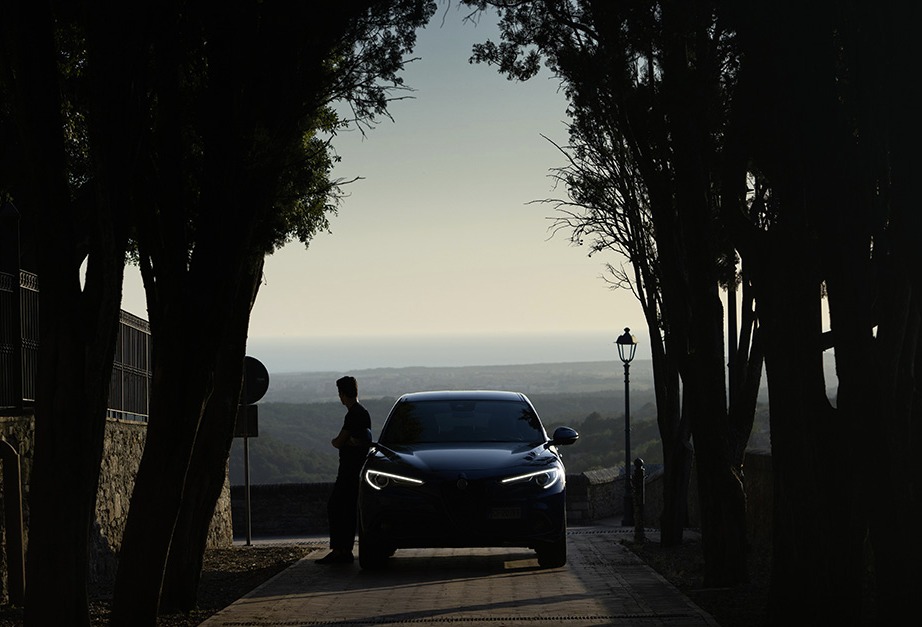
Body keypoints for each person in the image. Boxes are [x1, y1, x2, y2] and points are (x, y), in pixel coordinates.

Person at [316, 375, 372, 565]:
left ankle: (340, 551)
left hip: (349, 471)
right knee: (346, 509)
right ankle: (343, 550)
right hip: (355, 470)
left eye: (339, 393)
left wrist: (338, 441)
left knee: (336, 507)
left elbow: (339, 441)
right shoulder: (362, 412)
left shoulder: (353, 414)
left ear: (343, 394)